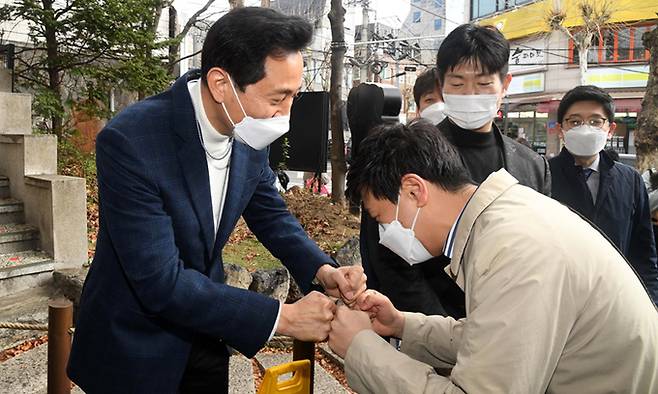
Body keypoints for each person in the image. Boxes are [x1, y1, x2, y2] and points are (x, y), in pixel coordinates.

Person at [67, 7, 366, 393]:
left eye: (294, 95)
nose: (286, 113)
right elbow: (160, 281)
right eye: (279, 97)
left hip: (208, 330)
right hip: (134, 343)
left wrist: (322, 271)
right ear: (222, 84)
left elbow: (270, 215)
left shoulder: (247, 127)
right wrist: (284, 318)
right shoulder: (133, 141)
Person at [328, 120, 658, 393]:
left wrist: (360, 347)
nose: (385, 236)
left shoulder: (513, 250)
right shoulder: (505, 219)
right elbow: (493, 338)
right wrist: (401, 325)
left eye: (383, 219)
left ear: (414, 191)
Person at [359, 23, 551, 318]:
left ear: (505, 84)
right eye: (458, 84)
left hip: (509, 321)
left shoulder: (532, 165)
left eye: (484, 84)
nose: (471, 95)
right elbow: (389, 257)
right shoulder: (407, 151)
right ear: (441, 83)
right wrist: (443, 335)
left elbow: (538, 252)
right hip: (427, 326)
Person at [549, 85, 658, 304]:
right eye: (575, 121)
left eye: (596, 121)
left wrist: (651, 303)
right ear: (561, 129)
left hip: (616, 300)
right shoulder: (542, 175)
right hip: (558, 300)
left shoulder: (630, 180)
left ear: (610, 129)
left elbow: (643, 251)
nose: (586, 128)